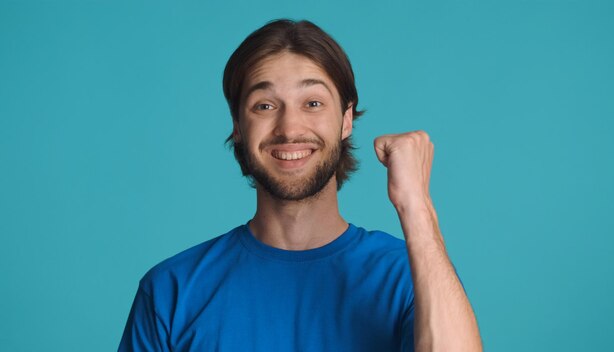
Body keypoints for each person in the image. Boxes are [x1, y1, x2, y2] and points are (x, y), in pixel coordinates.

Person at [119, 19, 482, 351]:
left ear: (346, 120)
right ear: (237, 126)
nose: (290, 128)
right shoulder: (171, 290)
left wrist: (416, 208)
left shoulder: (412, 274)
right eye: (264, 105)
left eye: (312, 103)